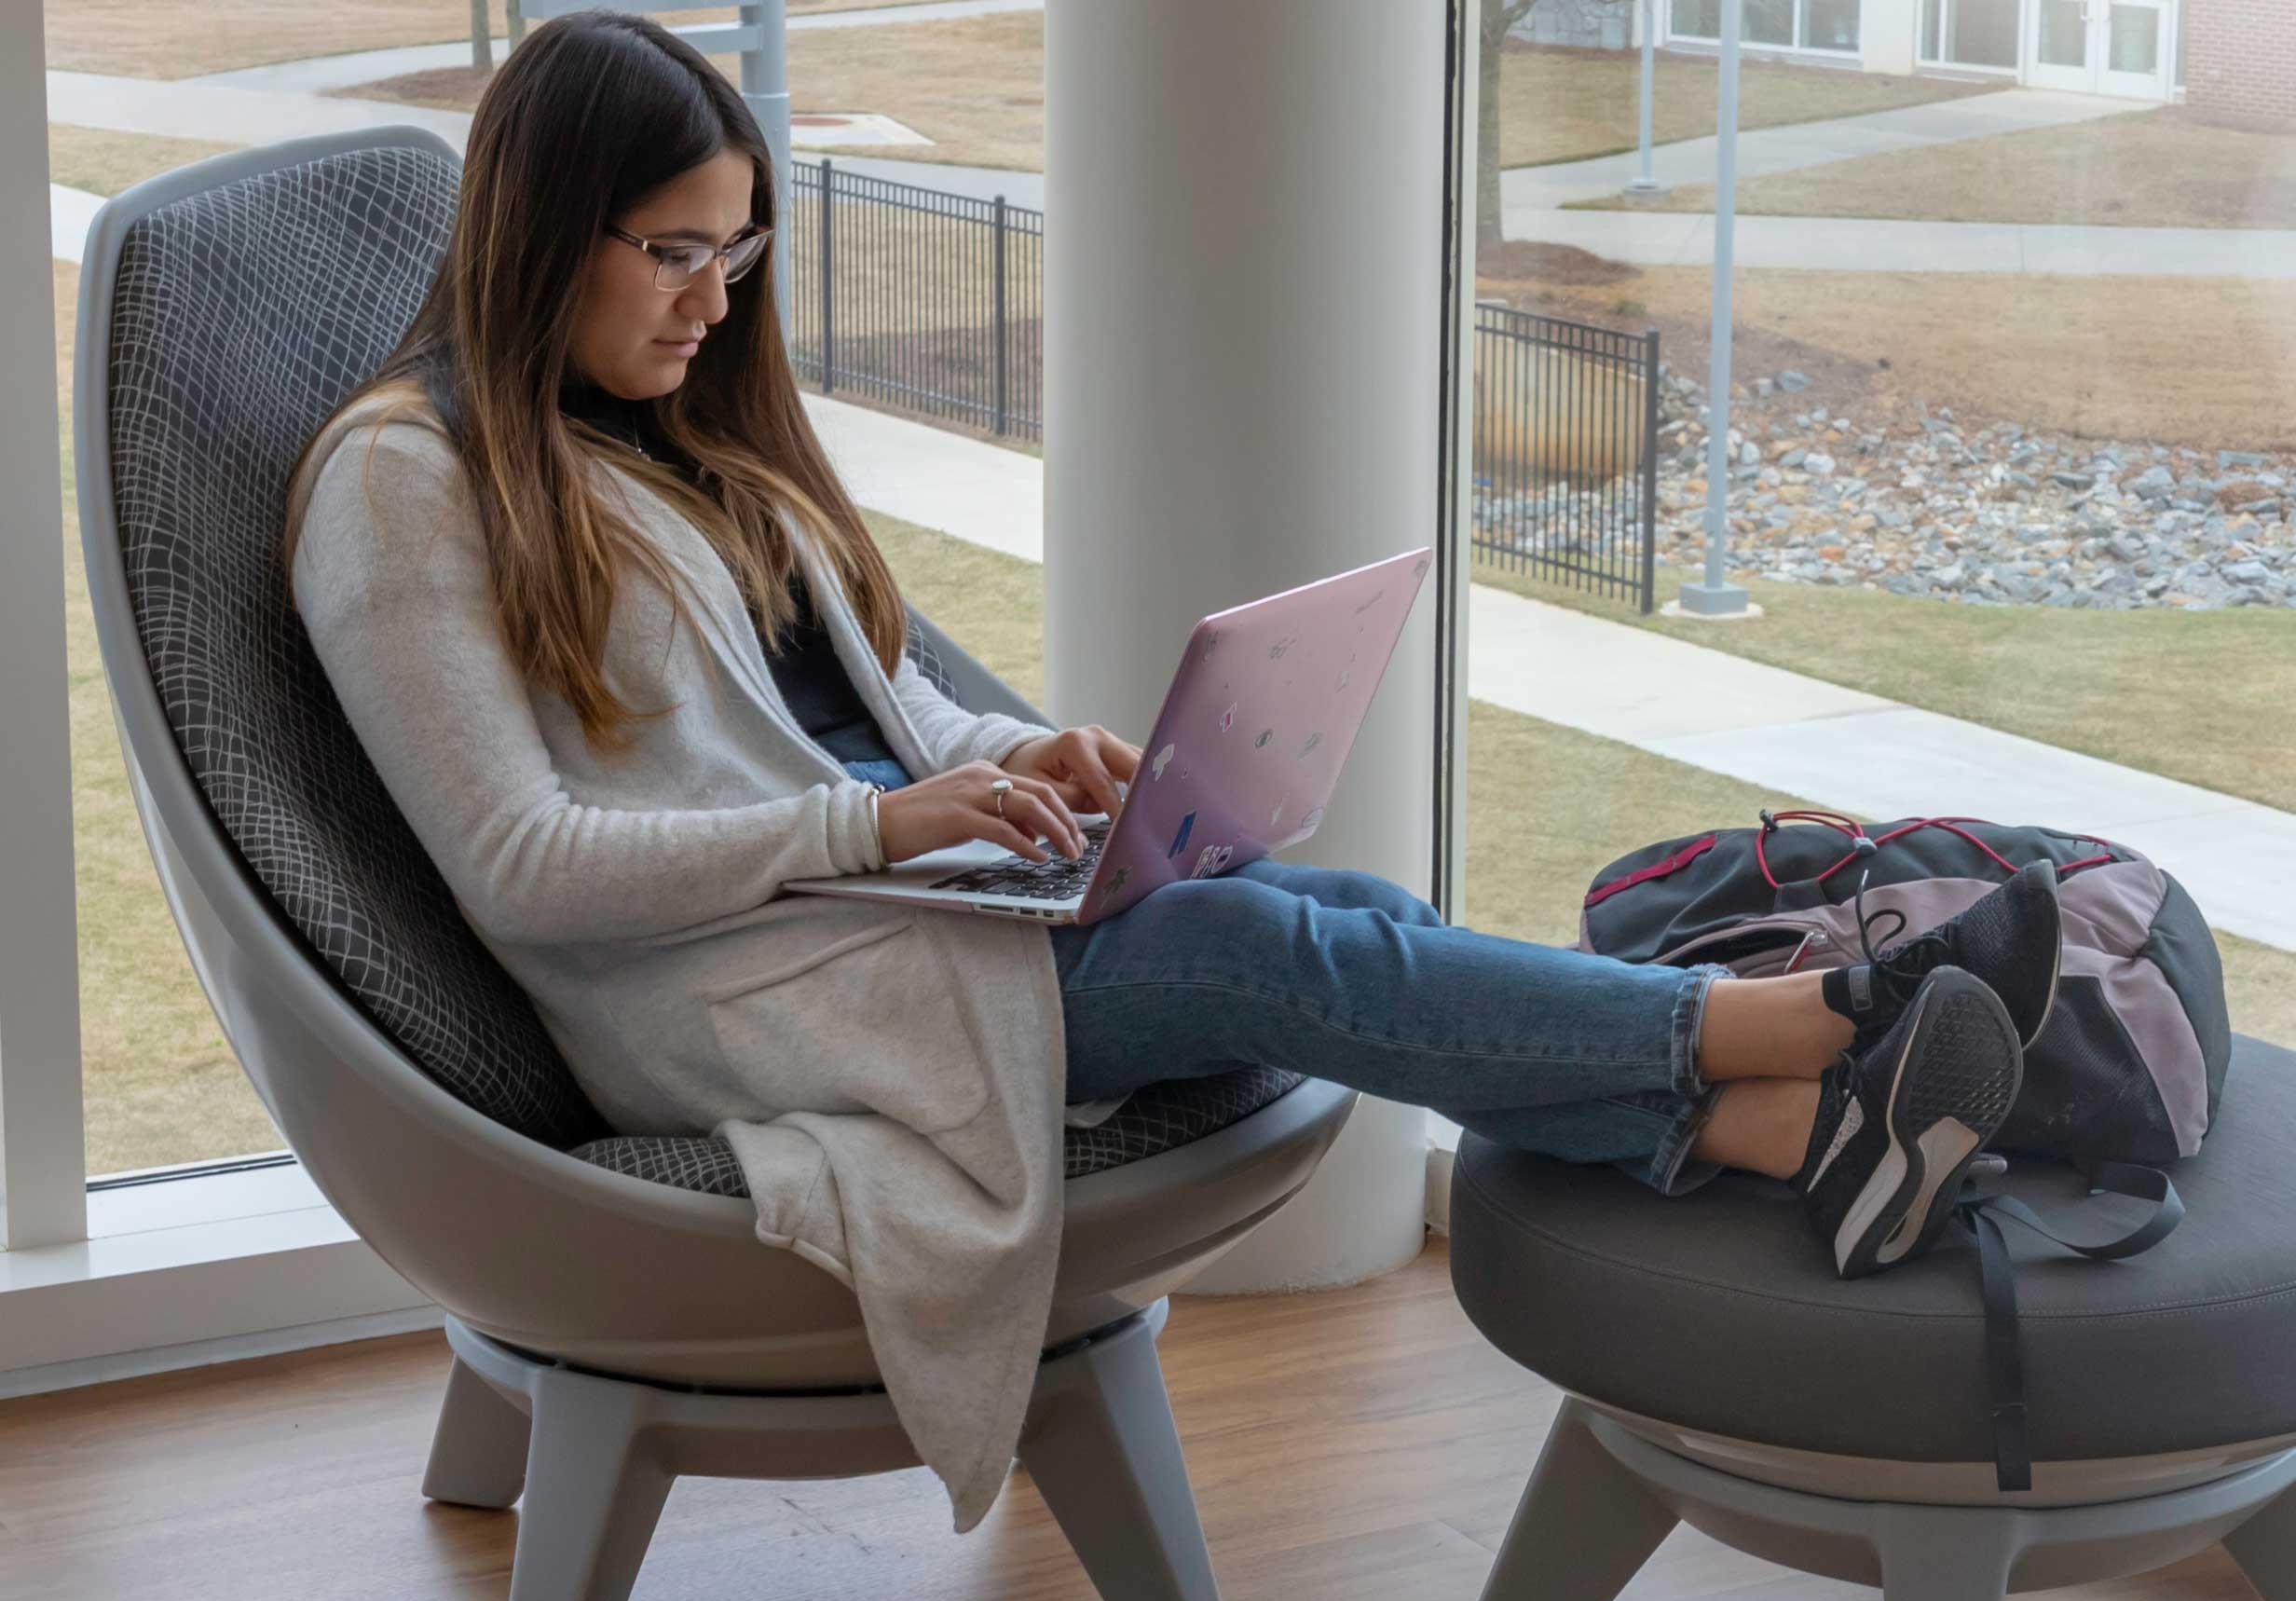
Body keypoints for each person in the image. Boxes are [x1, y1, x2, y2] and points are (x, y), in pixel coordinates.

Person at [281, 10, 2060, 1304]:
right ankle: (1831, 1015)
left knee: (1365, 913)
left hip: (912, 921)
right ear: (538, 228)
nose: (712, 302)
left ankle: (1804, 1144)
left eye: (735, 253)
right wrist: (883, 834)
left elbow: (864, 705)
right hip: (751, 1010)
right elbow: (519, 865)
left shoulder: (670, 427)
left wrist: (1025, 753)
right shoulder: (401, 484)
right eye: (673, 251)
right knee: (1264, 941)